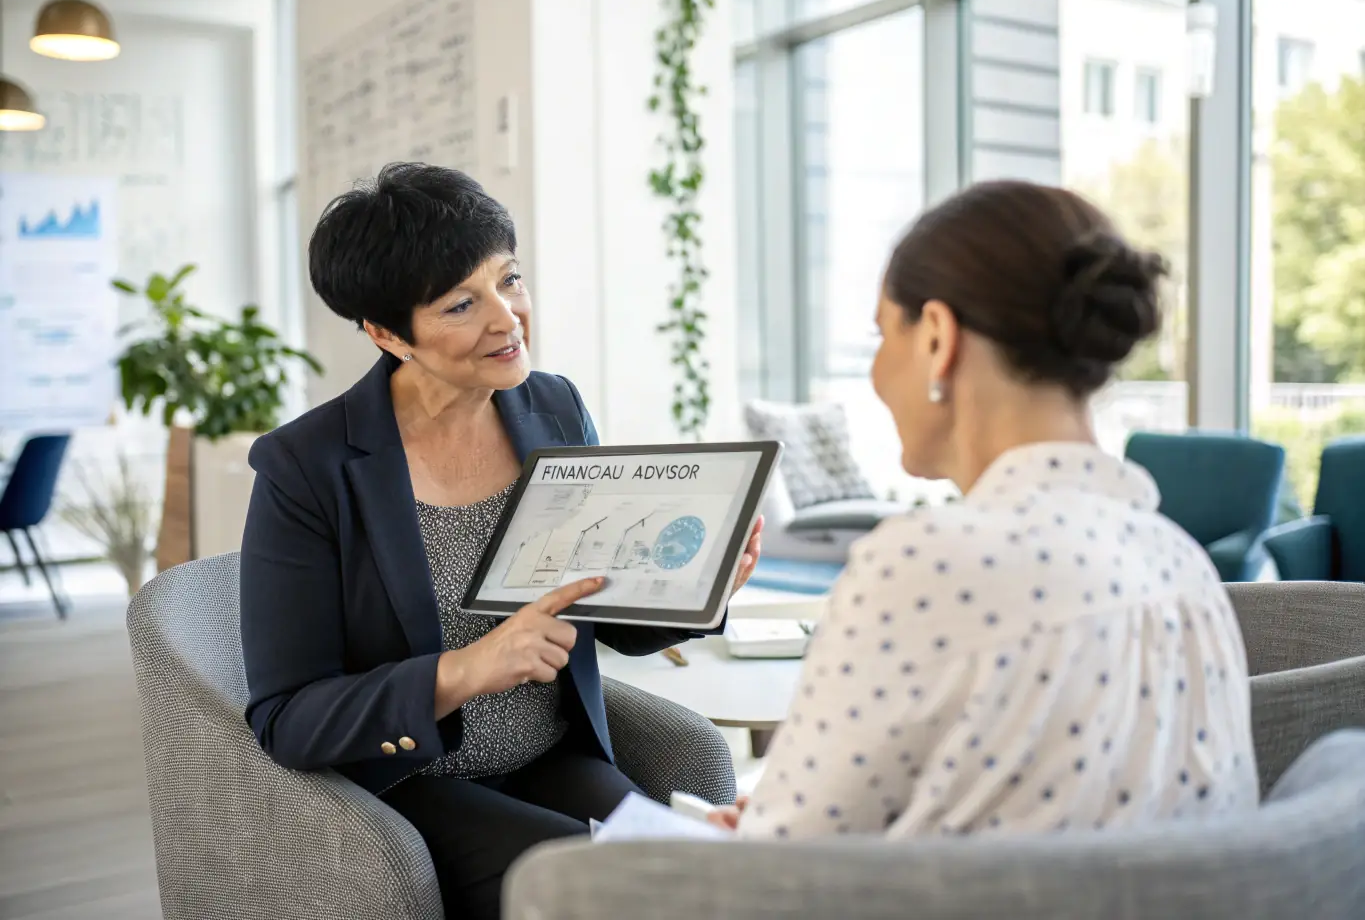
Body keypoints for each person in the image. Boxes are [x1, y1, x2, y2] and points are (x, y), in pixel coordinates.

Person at [239, 163, 762, 918]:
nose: (507, 318)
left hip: (550, 757)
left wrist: (701, 586)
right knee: (610, 895)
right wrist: (464, 670)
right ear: (386, 333)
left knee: (696, 877)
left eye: (508, 279)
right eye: (461, 303)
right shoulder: (305, 467)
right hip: (411, 784)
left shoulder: (551, 407)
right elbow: (287, 718)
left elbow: (605, 610)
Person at [713, 179, 1256, 839]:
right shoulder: (1183, 566)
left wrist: (751, 833)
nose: (877, 372)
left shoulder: (922, 567)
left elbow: (779, 866)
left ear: (937, 339)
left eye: (883, 335)